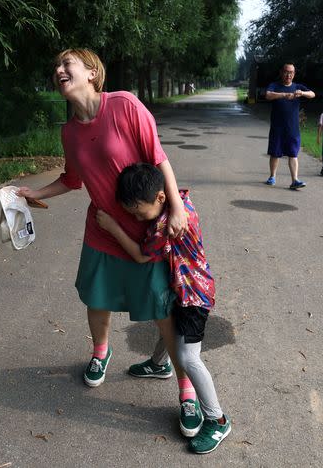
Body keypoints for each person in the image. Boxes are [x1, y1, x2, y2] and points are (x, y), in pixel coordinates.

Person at [14, 48, 190, 418]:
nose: (59, 70)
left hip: (145, 229)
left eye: (67, 64)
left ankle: (185, 387)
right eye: (56, 66)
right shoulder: (69, 132)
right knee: (98, 297)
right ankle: (100, 351)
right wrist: (35, 193)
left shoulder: (124, 105)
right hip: (102, 229)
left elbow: (158, 157)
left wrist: (175, 207)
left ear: (92, 73)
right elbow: (72, 180)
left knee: (161, 306)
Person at [95, 163, 231, 454]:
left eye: (138, 212)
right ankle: (158, 365)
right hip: (183, 290)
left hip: (194, 297)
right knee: (171, 327)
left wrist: (114, 227)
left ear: (159, 198)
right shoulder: (180, 201)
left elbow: (140, 256)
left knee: (188, 357)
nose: (136, 218)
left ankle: (217, 419)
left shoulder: (166, 226)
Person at [264, 63, 316, 189]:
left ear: (294, 74)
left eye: (291, 72)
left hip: (292, 129)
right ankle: (272, 176)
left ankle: (295, 180)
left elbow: (313, 94)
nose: (289, 75)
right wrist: (283, 95)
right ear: (281, 72)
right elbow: (268, 95)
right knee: (275, 153)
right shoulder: (275, 85)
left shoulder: (297, 87)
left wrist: (302, 93)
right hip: (277, 128)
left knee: (293, 154)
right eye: (286, 72)